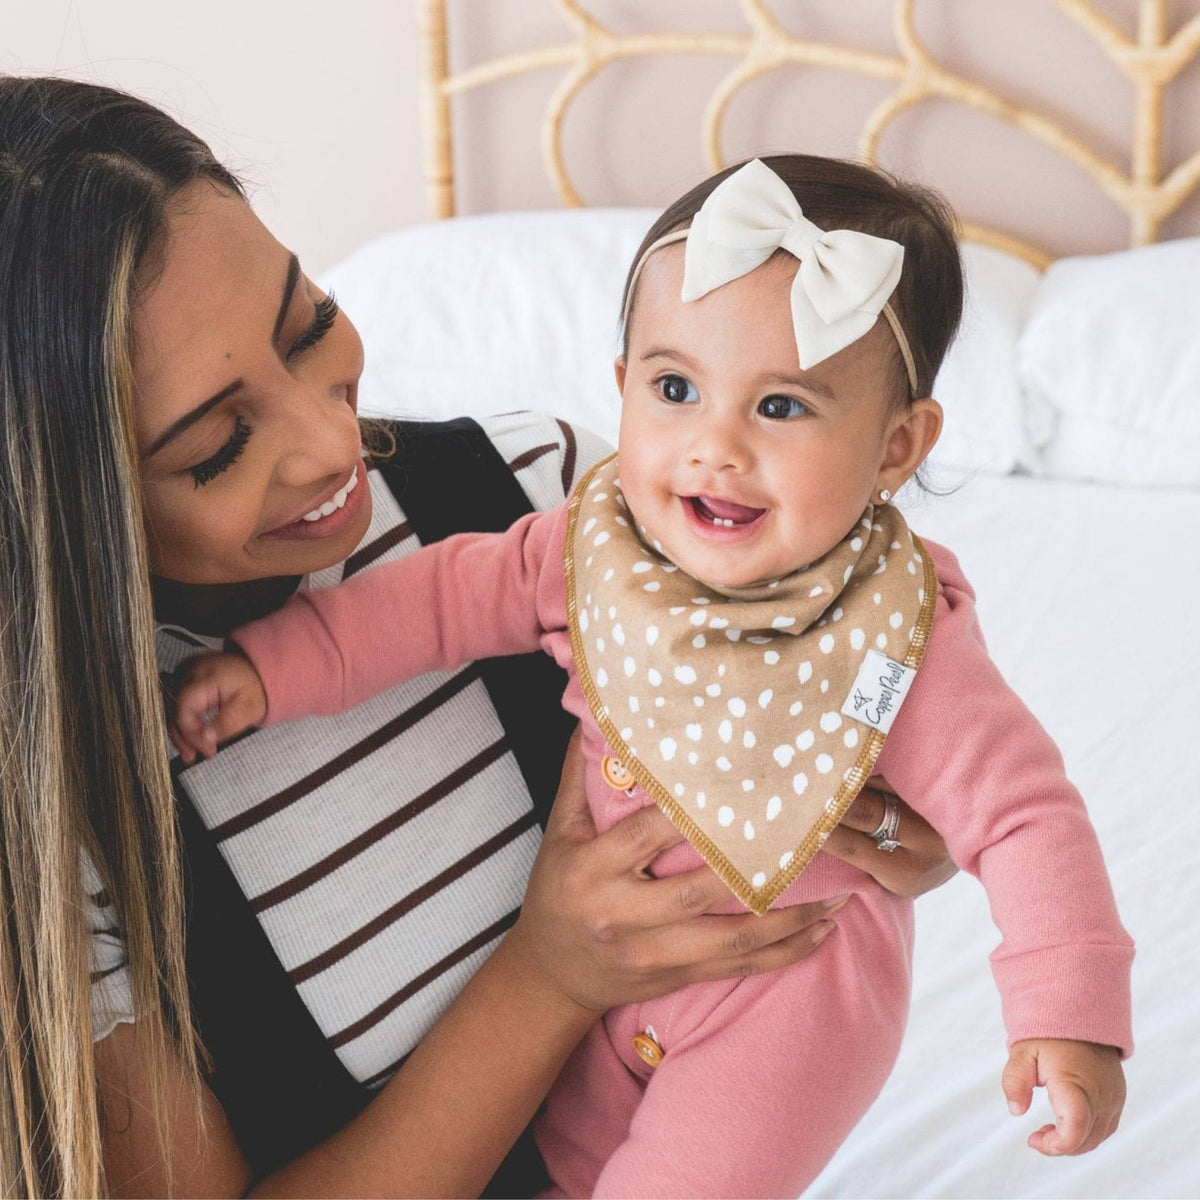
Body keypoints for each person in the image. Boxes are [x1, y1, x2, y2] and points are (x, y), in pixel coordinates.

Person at [0, 79, 958, 1198]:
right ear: (62, 515)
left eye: (309, 326)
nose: (328, 441)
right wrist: (551, 976)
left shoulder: (541, 498)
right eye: (216, 444)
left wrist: (899, 818)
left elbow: (864, 724)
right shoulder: (55, 815)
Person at [174, 156, 1134, 1198]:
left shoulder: (900, 635)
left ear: (897, 445)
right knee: (571, 1166)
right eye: (675, 389)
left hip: (785, 982)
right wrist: (269, 672)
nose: (714, 446)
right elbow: (435, 602)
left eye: (782, 408)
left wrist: (1067, 1012)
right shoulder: (591, 546)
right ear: (621, 381)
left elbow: (1024, 815)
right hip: (605, 995)